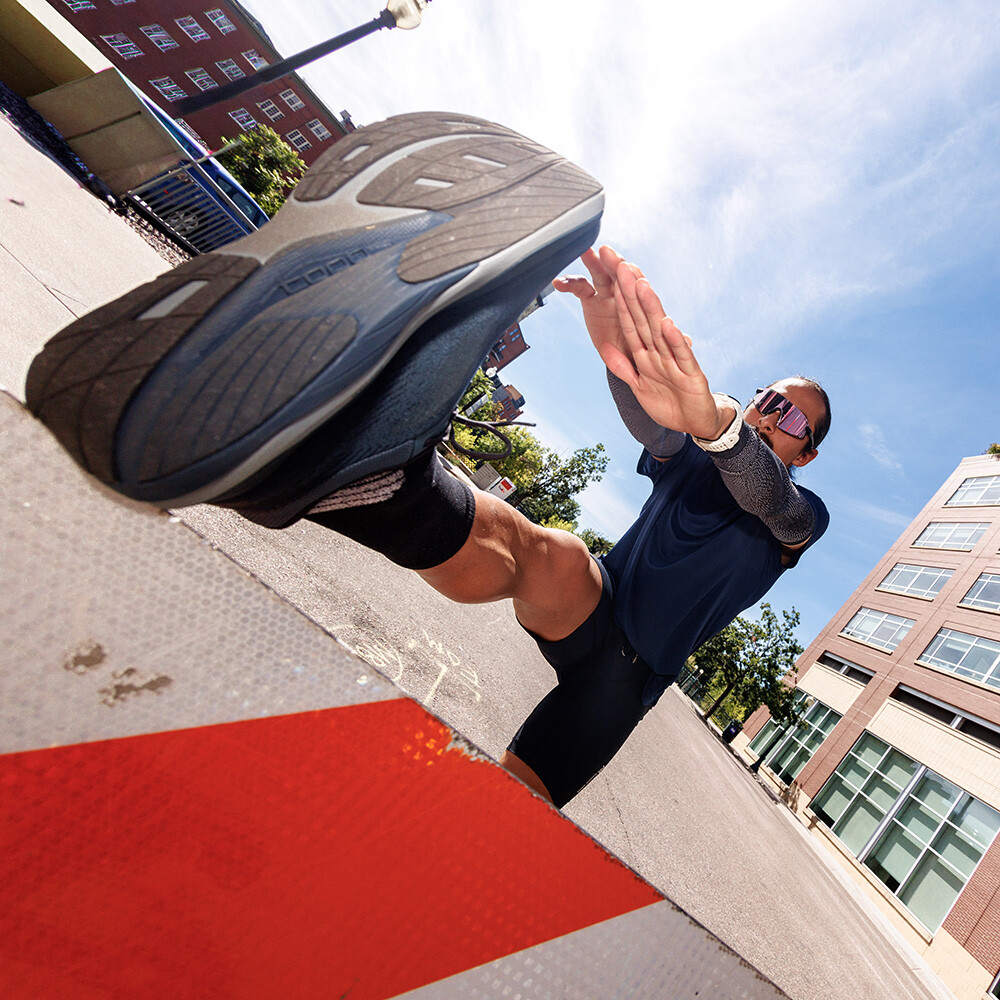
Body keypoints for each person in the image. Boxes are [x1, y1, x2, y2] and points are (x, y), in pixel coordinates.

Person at [26, 111, 829, 808]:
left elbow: (768, 499)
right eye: (765, 394)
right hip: (593, 597)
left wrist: (718, 423)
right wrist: (620, 366)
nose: (767, 409)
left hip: (627, 671)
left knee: (509, 803)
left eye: (789, 413)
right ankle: (363, 478)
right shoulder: (693, 455)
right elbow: (661, 431)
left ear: (810, 449)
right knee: (540, 548)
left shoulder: (798, 517)